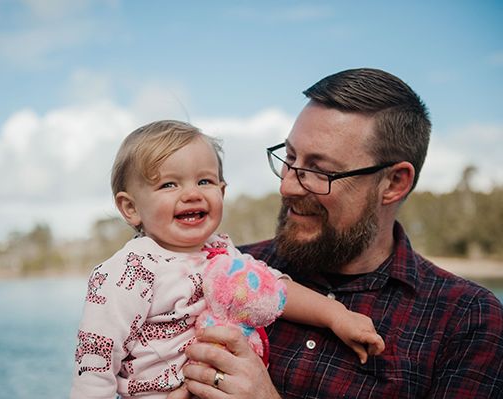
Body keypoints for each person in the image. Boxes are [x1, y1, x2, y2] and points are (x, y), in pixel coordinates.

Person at [175, 68, 503, 399]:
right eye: (290, 158)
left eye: (318, 170)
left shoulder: (467, 321)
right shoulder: (223, 271)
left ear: (394, 183)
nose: (287, 185)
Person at [70, 120, 385, 399]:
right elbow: (96, 357)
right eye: (168, 184)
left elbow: (273, 291)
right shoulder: (128, 271)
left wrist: (335, 315)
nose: (192, 193)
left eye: (204, 181)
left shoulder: (221, 254)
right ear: (131, 208)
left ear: (222, 190)